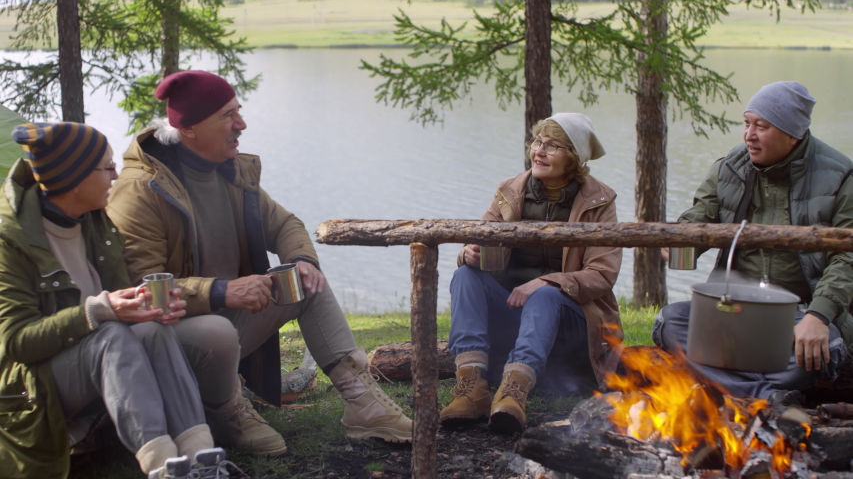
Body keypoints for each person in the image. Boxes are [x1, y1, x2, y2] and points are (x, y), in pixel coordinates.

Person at [106, 70, 413, 453]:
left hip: (227, 317)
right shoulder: (140, 191)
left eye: (239, 111)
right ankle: (226, 409)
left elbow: (284, 223)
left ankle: (364, 405)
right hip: (170, 337)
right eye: (227, 116)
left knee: (306, 281)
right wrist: (221, 291)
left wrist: (302, 260)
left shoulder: (230, 172)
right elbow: (144, 287)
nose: (241, 124)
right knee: (214, 331)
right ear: (189, 128)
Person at [0, 122, 234, 479]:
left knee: (152, 331)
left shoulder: (95, 222)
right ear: (75, 176)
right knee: (110, 338)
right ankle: (164, 469)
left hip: (94, 357)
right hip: (31, 385)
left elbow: (118, 304)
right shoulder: (10, 242)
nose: (116, 174)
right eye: (107, 166)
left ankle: (200, 458)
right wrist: (100, 310)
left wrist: (144, 308)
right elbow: (16, 342)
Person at [655, 81, 853, 405]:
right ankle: (763, 395)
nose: (749, 134)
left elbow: (847, 259)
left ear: (793, 133)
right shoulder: (729, 167)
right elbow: (699, 219)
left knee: (826, 345)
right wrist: (680, 239)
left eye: (762, 126)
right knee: (669, 322)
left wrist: (819, 316)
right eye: (747, 123)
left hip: (799, 315)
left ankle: (721, 387)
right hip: (732, 309)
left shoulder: (841, 176)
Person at [439, 113, 623, 434]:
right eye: (537, 142)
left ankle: (514, 392)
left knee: (546, 294)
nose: (538, 151)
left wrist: (545, 281)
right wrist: (469, 253)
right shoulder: (510, 190)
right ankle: (471, 388)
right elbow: (481, 239)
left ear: (574, 158)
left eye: (552, 146)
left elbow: (601, 275)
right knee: (466, 276)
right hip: (514, 313)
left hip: (571, 322)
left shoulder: (599, 201)